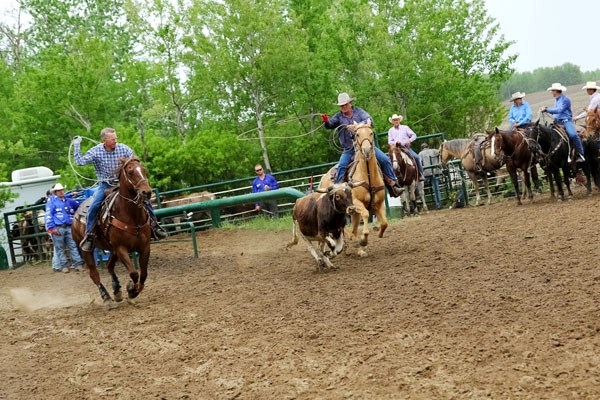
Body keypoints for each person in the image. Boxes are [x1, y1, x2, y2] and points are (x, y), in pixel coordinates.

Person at [73, 127, 167, 252]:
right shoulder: (96, 152)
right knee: (94, 206)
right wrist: (77, 146)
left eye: (116, 138)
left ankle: (154, 226)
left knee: (145, 200)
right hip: (105, 185)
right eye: (113, 139)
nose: (115, 141)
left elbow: (135, 161)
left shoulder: (123, 148)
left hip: (125, 184)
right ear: (104, 140)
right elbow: (79, 162)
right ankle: (90, 235)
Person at [321, 93, 403, 197]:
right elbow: (330, 125)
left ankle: (393, 185)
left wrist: (357, 126)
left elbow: (370, 121)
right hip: (349, 149)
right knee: (342, 166)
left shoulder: (359, 112)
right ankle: (339, 190)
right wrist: (326, 121)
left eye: (345, 104)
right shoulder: (338, 117)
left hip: (366, 146)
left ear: (350, 103)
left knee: (385, 160)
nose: (343, 107)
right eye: (341, 106)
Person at [541, 83, 585, 162]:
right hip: (557, 122)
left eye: (552, 91)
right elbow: (556, 112)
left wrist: (547, 109)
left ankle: (580, 154)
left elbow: (559, 110)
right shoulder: (556, 100)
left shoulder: (565, 99)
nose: (551, 92)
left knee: (573, 135)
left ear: (556, 91)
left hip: (566, 121)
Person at [45, 183, 84, 273]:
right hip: (58, 227)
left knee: (73, 246)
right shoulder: (51, 201)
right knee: (60, 248)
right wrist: (51, 227)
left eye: (62, 190)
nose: (61, 192)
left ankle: (78, 264)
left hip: (69, 226)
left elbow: (79, 206)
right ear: (55, 192)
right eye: (59, 190)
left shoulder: (69, 200)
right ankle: (64, 266)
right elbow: (49, 214)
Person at [387, 113, 424, 178]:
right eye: (394, 120)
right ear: (392, 122)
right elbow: (390, 141)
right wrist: (394, 144)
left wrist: (409, 140)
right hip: (396, 149)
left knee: (416, 157)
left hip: (405, 147)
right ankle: (392, 178)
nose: (396, 121)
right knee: (388, 161)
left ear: (399, 120)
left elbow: (414, 135)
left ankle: (420, 174)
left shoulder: (405, 128)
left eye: (397, 120)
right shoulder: (390, 131)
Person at [418, 142, 443, 209]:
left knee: (420, 187)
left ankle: (420, 202)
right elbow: (441, 152)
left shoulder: (420, 154)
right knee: (436, 189)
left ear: (422, 148)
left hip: (426, 173)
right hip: (435, 172)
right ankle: (438, 204)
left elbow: (419, 163)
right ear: (428, 146)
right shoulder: (434, 151)